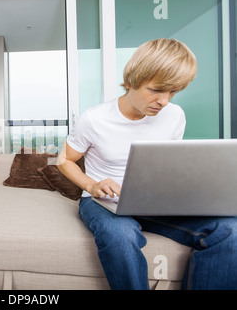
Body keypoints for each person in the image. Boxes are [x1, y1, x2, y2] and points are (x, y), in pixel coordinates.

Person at [57, 38, 237, 290]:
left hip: (154, 200)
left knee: (231, 229)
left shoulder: (175, 116)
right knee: (120, 237)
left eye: (172, 92)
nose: (164, 101)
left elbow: (169, 165)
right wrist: (93, 184)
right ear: (130, 82)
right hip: (102, 201)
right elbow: (64, 160)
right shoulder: (94, 119)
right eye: (156, 90)